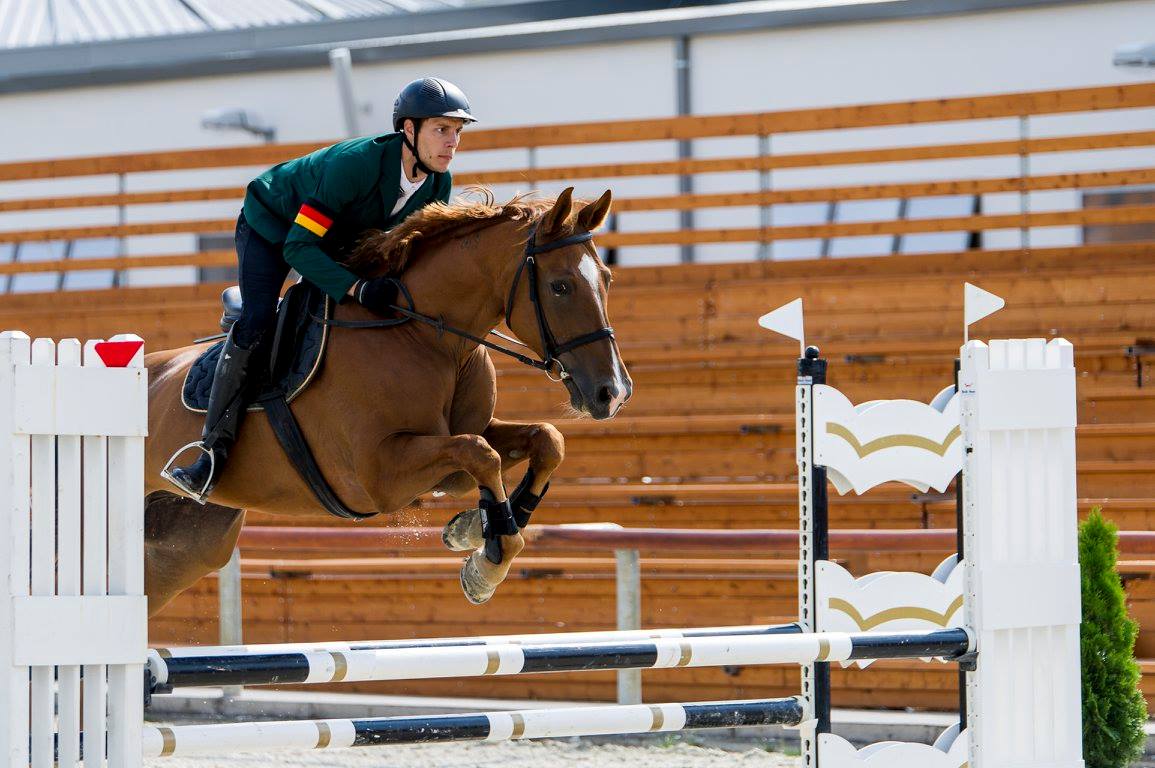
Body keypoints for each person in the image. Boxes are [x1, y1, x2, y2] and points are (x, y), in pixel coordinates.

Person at [163, 77, 476, 503]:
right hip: (273, 228)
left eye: (457, 132)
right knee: (258, 321)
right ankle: (210, 452)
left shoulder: (438, 183)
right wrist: (358, 289)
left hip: (337, 238)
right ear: (408, 129)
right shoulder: (356, 165)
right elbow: (298, 246)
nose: (451, 142)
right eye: (441, 129)